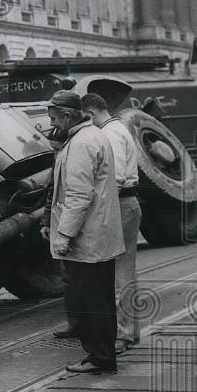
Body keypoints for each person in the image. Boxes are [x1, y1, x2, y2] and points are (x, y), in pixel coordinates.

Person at [43, 90, 125, 375]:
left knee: (90, 300)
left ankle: (99, 357)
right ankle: (103, 355)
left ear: (67, 116)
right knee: (100, 299)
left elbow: (78, 195)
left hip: (87, 238)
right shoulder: (92, 136)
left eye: (55, 118)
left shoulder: (80, 143)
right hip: (98, 234)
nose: (53, 124)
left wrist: (63, 235)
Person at [82, 93, 143, 354]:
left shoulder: (109, 134)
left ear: (90, 115)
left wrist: (97, 211)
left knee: (120, 274)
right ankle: (129, 332)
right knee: (123, 271)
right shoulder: (118, 129)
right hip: (125, 204)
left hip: (119, 205)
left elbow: (115, 179)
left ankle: (124, 334)